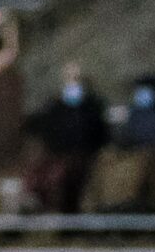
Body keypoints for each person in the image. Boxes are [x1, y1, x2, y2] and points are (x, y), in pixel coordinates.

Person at [87, 74, 155, 213]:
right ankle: (103, 203)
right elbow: (127, 135)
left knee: (140, 164)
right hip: (135, 154)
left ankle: (124, 202)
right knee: (105, 159)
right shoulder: (135, 112)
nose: (141, 94)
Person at [21, 61, 107, 211]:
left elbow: (99, 134)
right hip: (57, 154)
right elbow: (44, 129)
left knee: (63, 175)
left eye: (76, 78)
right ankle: (32, 205)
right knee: (39, 174)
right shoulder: (56, 107)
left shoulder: (92, 107)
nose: (72, 84)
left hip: (83, 157)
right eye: (69, 78)